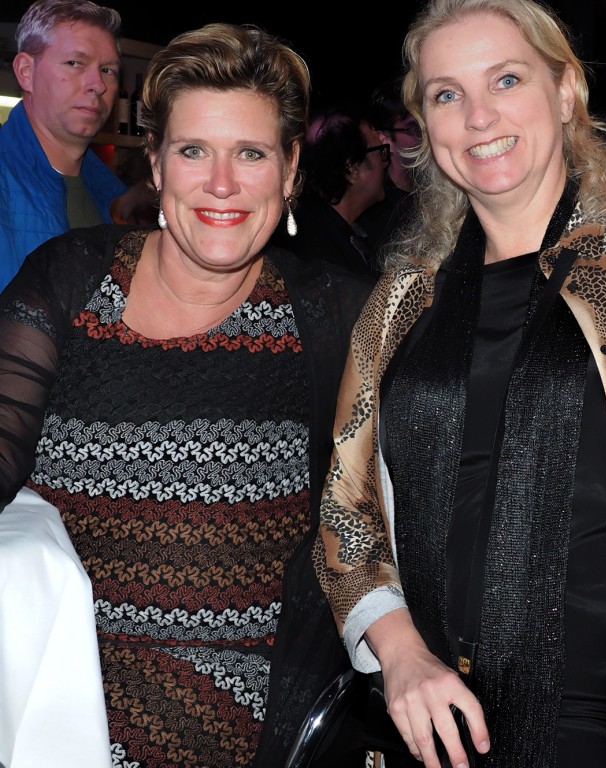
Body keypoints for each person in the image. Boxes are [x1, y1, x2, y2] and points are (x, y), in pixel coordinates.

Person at [314, 1, 606, 767]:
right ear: (425, 127)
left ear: (565, 92)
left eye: (506, 80)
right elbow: (346, 514)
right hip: (431, 724)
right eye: (447, 94)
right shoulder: (403, 301)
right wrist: (401, 654)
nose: (479, 116)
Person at [0, 22, 372, 768]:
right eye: (194, 150)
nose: (221, 183)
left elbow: (384, 517)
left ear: (291, 170)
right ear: (157, 164)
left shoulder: (337, 315)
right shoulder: (70, 276)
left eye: (252, 153)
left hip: (229, 702)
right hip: (41, 672)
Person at [0, 0, 126, 291]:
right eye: (74, 63)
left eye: (107, 70)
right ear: (26, 71)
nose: (98, 84)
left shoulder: (116, 197)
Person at [271, 102, 388, 277]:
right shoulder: (317, 252)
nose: (385, 163)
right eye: (379, 152)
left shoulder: (347, 228)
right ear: (352, 169)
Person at [358, 78, 421, 258]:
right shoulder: (377, 211)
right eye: (414, 129)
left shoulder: (435, 191)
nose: (425, 138)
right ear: (384, 140)